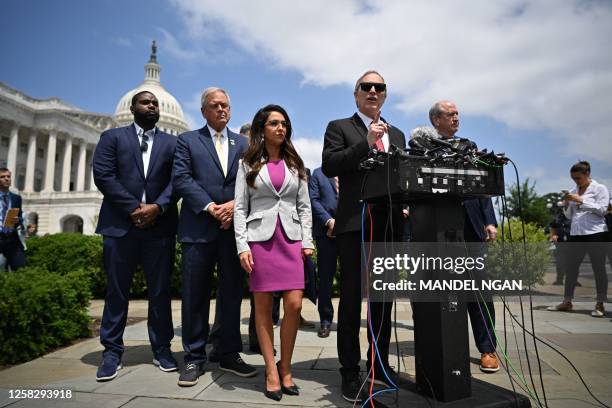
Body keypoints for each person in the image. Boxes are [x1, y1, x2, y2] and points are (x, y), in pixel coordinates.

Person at [322, 70, 406, 402]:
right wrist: (366, 143)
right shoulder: (339, 127)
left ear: (385, 95)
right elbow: (330, 165)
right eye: (366, 87)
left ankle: (379, 363)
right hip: (355, 223)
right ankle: (349, 369)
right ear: (356, 94)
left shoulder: (397, 133)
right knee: (353, 298)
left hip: (389, 227)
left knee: (383, 300)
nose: (373, 91)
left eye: (379, 87)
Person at [92, 91, 178, 381]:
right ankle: (112, 352)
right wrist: (133, 208)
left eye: (155, 103)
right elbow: (103, 175)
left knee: (160, 292)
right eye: (145, 102)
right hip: (119, 226)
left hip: (160, 227)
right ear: (132, 108)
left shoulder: (172, 143)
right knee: (116, 292)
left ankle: (162, 349)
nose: (152, 106)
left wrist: (157, 207)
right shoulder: (112, 138)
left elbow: (178, 180)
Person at [173, 87, 255, 387]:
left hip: (233, 230)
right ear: (204, 110)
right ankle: (194, 357)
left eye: (226, 106)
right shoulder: (186, 141)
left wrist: (234, 205)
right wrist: (211, 207)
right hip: (199, 228)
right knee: (195, 294)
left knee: (232, 293)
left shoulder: (244, 143)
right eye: (215, 105)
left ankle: (228, 352)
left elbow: (252, 179)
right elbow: (181, 179)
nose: (222, 110)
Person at [234, 104, 314, 401]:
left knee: (294, 305)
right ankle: (271, 369)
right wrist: (242, 246)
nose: (281, 128)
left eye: (284, 124)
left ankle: (286, 365)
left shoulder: (296, 164)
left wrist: (308, 241)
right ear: (262, 128)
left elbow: (304, 207)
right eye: (274, 123)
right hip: (260, 241)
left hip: (291, 240)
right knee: (263, 308)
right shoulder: (247, 163)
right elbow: (240, 208)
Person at [429, 99, 500, 373]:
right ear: (437, 120)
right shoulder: (422, 147)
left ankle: (488, 349)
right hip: (437, 230)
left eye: (458, 113)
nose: (456, 118)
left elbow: (482, 185)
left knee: (480, 290)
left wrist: (489, 221)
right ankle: (444, 350)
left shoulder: (469, 147)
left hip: (471, 229)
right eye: (450, 114)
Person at [549, 161, 609, 317]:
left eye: (578, 178)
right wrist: (567, 204)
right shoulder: (573, 190)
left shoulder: (600, 188)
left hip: (595, 233)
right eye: (573, 178)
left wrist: (581, 200)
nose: (576, 181)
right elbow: (569, 216)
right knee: (571, 268)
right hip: (576, 233)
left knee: (598, 268)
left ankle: (600, 304)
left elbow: (603, 210)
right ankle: (567, 301)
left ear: (587, 173)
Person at [308, 167, 339, 338]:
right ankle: (325, 321)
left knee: (352, 280)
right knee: (325, 279)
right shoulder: (318, 174)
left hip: (348, 232)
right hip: (325, 234)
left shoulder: (350, 172)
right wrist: (329, 221)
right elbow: (313, 200)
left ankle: (349, 321)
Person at [0, 168, 25, 271]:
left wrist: (18, 220)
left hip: (12, 239)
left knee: (21, 268)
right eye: (2, 177)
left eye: (8, 176)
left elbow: (20, 216)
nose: (6, 179)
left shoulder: (16, 198)